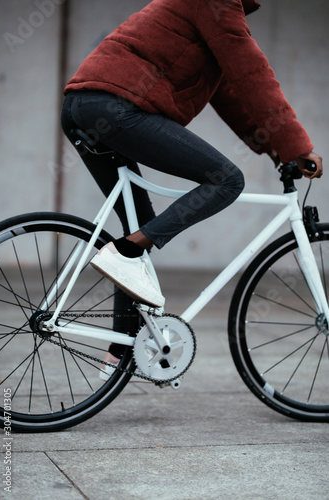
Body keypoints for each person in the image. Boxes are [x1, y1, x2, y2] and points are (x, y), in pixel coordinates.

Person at [61, 0, 323, 377]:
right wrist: (298, 146)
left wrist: (277, 148)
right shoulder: (217, 2)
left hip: (83, 106)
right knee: (227, 179)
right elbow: (252, 74)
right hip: (115, 107)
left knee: (140, 226)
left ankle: (118, 355)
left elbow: (232, 95)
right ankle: (125, 252)